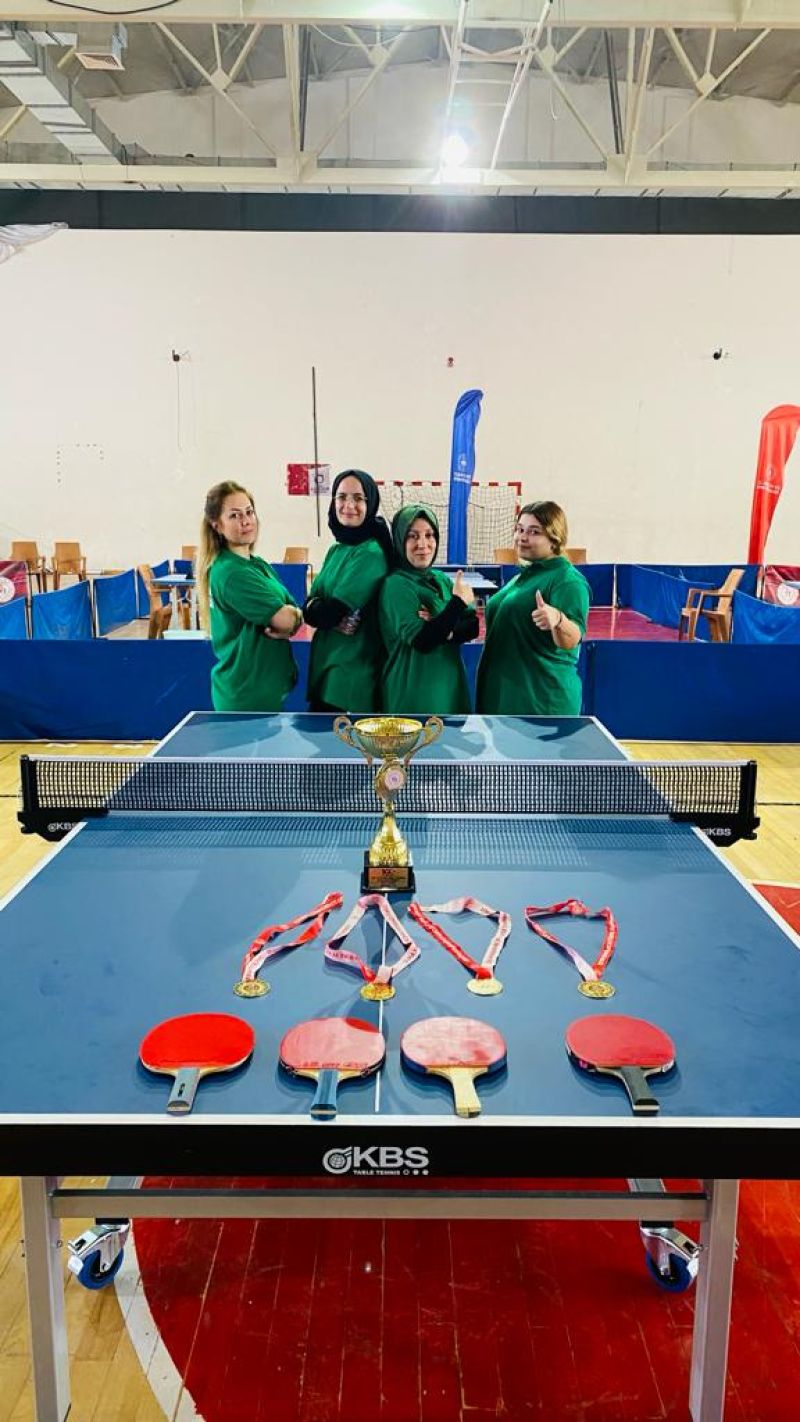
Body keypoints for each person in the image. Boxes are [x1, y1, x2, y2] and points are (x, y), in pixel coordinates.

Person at [476, 501, 589, 716]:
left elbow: (572, 638)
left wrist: (558, 619)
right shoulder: (523, 576)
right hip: (505, 699)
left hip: (540, 704)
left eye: (534, 532)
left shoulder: (567, 580)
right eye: (520, 530)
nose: (522, 537)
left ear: (554, 539)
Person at [198, 480, 301, 712]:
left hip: (264, 691)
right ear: (217, 525)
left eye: (249, 512)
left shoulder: (257, 564)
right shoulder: (231, 573)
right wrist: (292, 617)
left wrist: (292, 616)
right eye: (234, 515)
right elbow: (286, 619)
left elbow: (291, 610)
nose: (245, 521)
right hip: (247, 697)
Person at [303, 470, 391, 712]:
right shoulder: (336, 550)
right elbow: (311, 608)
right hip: (326, 667)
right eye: (342, 497)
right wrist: (315, 609)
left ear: (370, 504)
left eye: (358, 498)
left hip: (350, 677)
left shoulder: (370, 553)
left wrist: (319, 612)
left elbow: (329, 613)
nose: (349, 505)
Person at [379, 504, 479, 714]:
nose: (422, 544)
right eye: (412, 536)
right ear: (400, 540)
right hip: (413, 695)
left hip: (450, 690)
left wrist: (443, 626)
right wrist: (457, 605)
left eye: (429, 535)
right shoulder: (396, 585)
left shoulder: (441, 579)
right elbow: (423, 640)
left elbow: (472, 627)